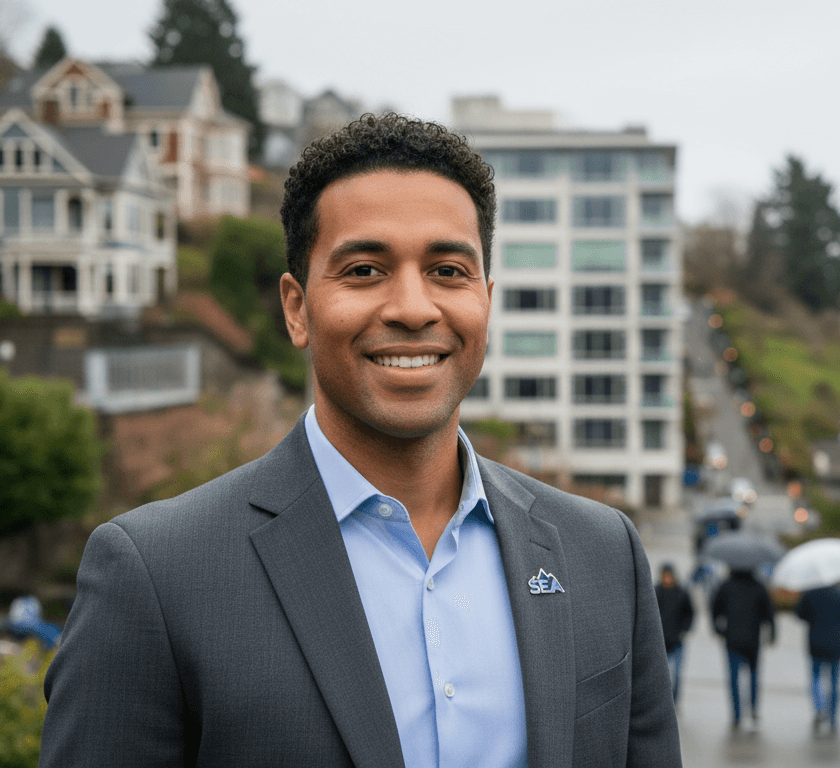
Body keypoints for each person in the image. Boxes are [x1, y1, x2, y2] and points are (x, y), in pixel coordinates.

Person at [39, 114, 681, 767]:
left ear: (486, 301)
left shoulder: (604, 555)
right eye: (366, 269)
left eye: (448, 270)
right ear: (297, 308)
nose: (412, 307)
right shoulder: (156, 575)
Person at [711, 569, 774, 729]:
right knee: (753, 676)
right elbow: (768, 613)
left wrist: (718, 629)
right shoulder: (759, 586)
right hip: (753, 640)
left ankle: (736, 714)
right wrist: (772, 632)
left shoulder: (726, 586)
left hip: (732, 639)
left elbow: (715, 608)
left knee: (733, 679)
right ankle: (752, 708)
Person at [795, 583, 840, 735]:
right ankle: (833, 718)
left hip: (816, 643)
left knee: (816, 678)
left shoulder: (810, 593)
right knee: (834, 682)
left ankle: (819, 709)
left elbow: (799, 614)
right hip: (836, 644)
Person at [654, 563, 695, 703]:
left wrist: (684, 630)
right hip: (659, 642)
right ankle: (663, 701)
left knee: (676, 674)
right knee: (660, 675)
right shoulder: (655, 592)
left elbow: (690, 613)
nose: (667, 579)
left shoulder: (682, 593)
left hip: (677, 641)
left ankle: (674, 701)